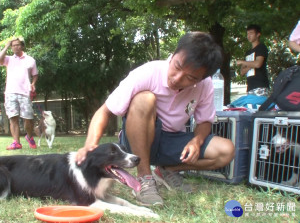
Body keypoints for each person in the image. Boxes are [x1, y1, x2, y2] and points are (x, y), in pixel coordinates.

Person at [76, 32, 235, 206]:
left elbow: (205, 121)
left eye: (190, 78)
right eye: (177, 66)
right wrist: (90, 144)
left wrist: (197, 140)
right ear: (173, 55)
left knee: (226, 150)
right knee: (144, 99)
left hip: (173, 141)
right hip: (138, 139)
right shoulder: (147, 73)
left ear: (202, 78)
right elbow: (104, 111)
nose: (177, 78)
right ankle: (145, 178)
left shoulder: (205, 86)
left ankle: (167, 171)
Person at [0, 37, 38, 150]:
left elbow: (35, 74)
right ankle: (16, 142)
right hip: (10, 92)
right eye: (13, 45)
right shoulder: (8, 59)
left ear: (22, 46)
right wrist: (6, 46)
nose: (15, 47)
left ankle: (29, 136)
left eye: (17, 45)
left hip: (25, 92)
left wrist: (33, 83)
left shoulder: (30, 60)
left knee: (28, 119)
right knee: (13, 118)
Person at [236, 24, 269, 96]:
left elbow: (258, 64)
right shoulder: (247, 53)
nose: (248, 36)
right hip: (250, 87)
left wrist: (243, 62)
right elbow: (242, 72)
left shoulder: (261, 47)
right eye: (247, 33)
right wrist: (251, 65)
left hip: (260, 86)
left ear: (258, 34)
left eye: (251, 33)